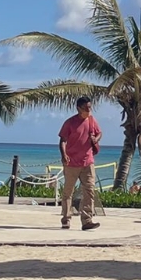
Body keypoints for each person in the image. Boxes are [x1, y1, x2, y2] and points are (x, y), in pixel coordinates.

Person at [58, 96, 102, 231]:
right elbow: (63, 140)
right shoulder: (70, 123)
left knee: (89, 190)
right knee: (68, 192)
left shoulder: (92, 120)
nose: (89, 110)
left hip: (88, 162)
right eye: (86, 108)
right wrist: (64, 155)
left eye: (90, 107)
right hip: (71, 162)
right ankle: (66, 219)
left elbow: (99, 133)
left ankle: (87, 220)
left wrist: (95, 139)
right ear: (79, 108)